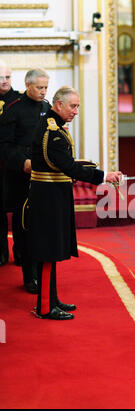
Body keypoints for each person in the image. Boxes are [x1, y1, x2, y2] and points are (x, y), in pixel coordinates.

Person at [29, 86, 123, 320]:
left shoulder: (53, 125)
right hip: (49, 197)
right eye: (73, 106)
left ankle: (51, 298)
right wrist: (103, 176)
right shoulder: (53, 132)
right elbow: (69, 167)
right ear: (58, 105)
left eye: (78, 106)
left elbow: (68, 163)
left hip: (52, 194)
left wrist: (98, 172)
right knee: (49, 251)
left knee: (52, 249)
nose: (76, 111)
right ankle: (44, 307)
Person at [0, 68, 50, 293]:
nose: (43, 92)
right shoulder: (13, 110)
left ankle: (41, 273)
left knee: (41, 225)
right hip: (20, 176)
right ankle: (29, 276)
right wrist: (23, 163)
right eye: (39, 88)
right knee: (24, 225)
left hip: (44, 176)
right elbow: (5, 147)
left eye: (46, 88)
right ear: (27, 85)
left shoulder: (47, 107)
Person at [0, 62, 22, 267]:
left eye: (7, 77)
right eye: (0, 78)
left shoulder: (20, 100)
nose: (4, 81)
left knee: (18, 210)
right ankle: (1, 253)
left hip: (14, 165)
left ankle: (20, 252)